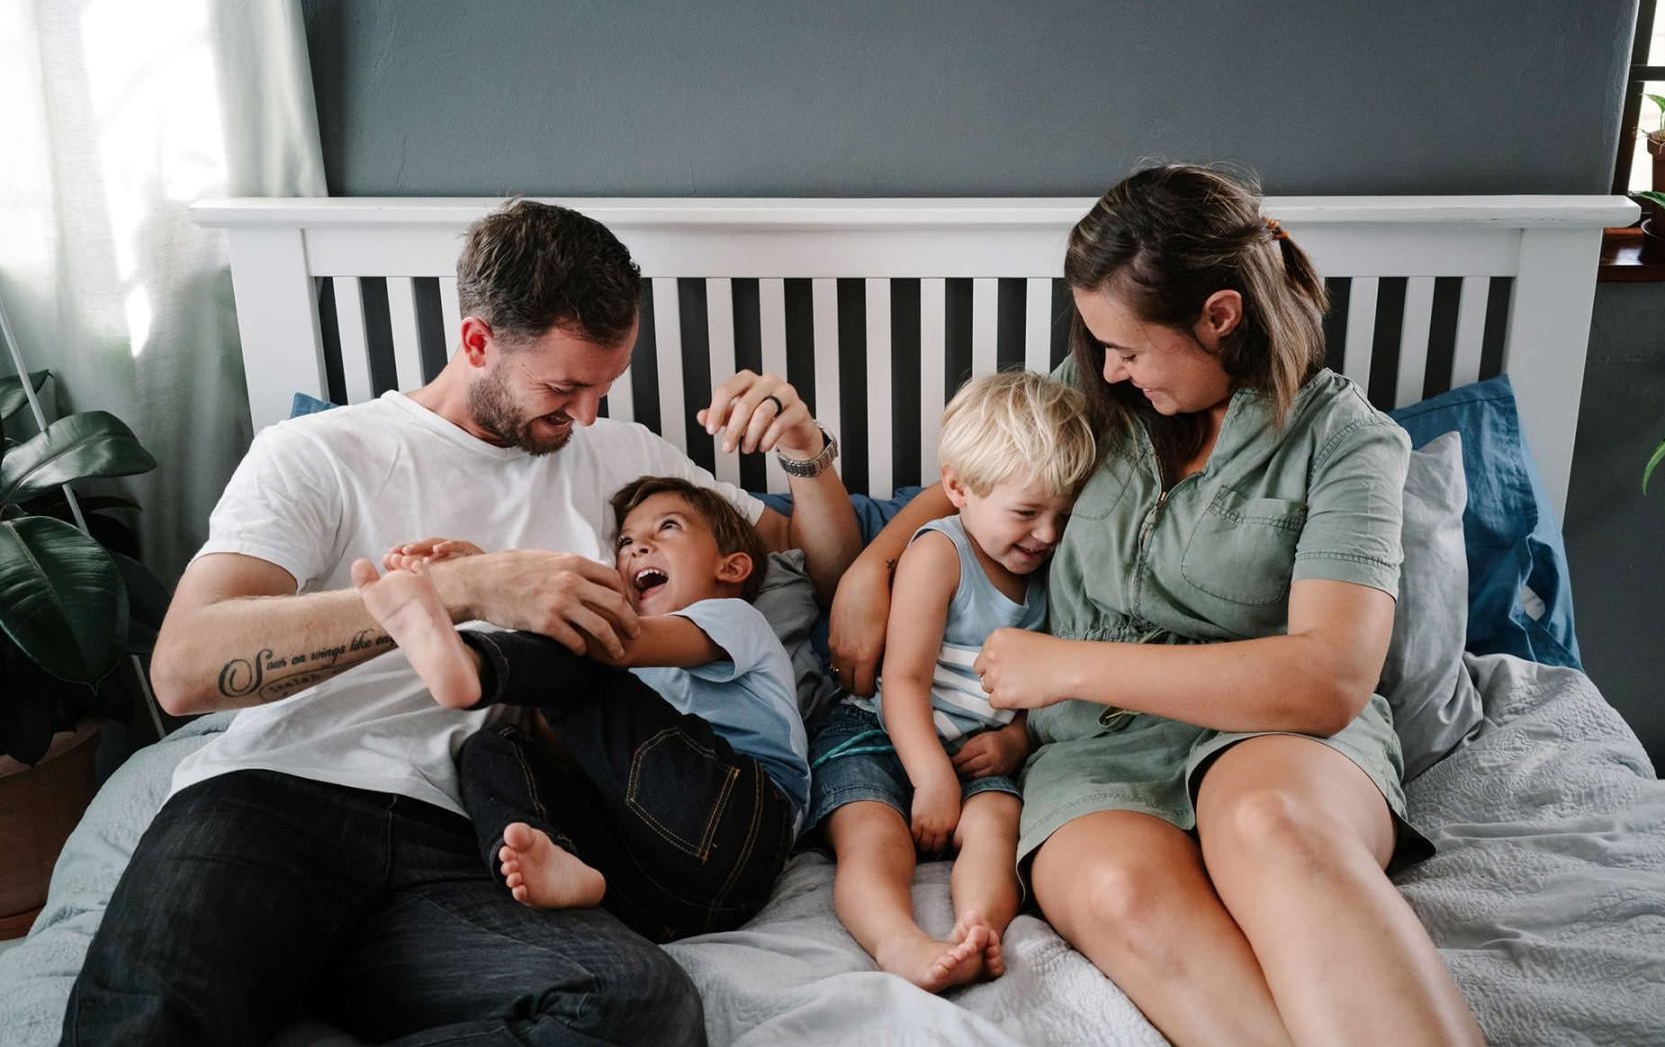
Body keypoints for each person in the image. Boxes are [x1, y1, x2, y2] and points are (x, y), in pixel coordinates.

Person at [65, 199, 859, 1047]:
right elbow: (183, 670)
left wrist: (805, 451)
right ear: (478, 342)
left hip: (477, 835)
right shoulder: (322, 453)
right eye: (563, 387)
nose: (587, 415)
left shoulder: (627, 458)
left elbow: (822, 570)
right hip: (279, 796)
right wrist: (467, 588)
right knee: (147, 1024)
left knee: (639, 1009)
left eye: (603, 387)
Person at [827, 165, 1485, 1046]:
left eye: (1130, 348)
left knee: (1270, 828)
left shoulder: (1346, 444)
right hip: (1092, 749)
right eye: (1098, 345)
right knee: (1119, 893)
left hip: (1272, 732)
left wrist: (1065, 665)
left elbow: (1328, 678)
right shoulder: (1099, 394)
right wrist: (876, 561)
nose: (1107, 368)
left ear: (1219, 316)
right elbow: (979, 477)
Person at [356, 475, 823, 944]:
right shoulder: (629, 690)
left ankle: (474, 665)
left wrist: (496, 584)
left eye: (667, 528)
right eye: (625, 542)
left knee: (584, 652)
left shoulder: (736, 619)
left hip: (745, 826)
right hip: (661, 898)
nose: (637, 549)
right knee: (492, 747)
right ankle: (552, 856)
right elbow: (569, 726)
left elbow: (614, 647)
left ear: (733, 567)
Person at [806, 371, 1095, 992]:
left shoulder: (1052, 565)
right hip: (884, 731)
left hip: (976, 748)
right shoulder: (939, 553)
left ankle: (977, 929)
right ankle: (898, 942)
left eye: (1061, 515)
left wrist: (1016, 741)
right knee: (872, 836)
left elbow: (1045, 680)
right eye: (1027, 512)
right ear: (959, 488)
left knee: (996, 827)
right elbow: (903, 679)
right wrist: (930, 776)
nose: (1046, 534)